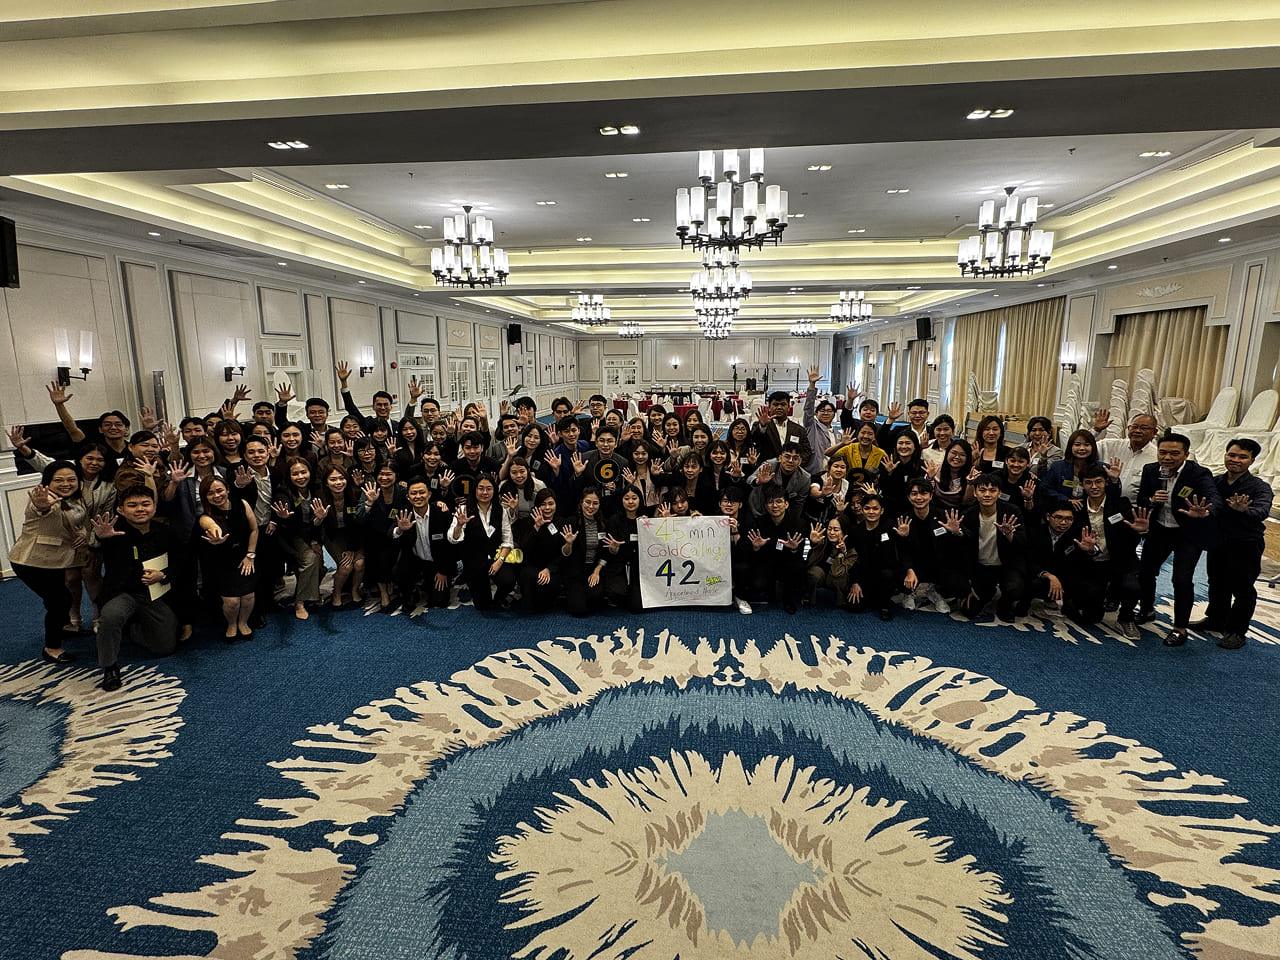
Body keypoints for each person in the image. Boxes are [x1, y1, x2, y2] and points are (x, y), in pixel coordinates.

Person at [1133, 432, 1221, 646]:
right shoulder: (1151, 470)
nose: (1167, 458)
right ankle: (1146, 610)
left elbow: (1214, 497)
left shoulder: (1198, 473)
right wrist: (1151, 499)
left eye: (1174, 453)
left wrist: (1206, 511)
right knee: (1145, 573)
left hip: (1187, 533)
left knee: (1181, 579)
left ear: (1186, 454)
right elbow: (1142, 497)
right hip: (1159, 530)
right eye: (1162, 452)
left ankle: (1180, 628)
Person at [92, 485, 180, 691]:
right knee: (110, 617)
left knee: (165, 646)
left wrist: (163, 575)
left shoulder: (165, 532)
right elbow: (104, 549)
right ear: (121, 509)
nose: (140, 509)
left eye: (145, 504)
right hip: (123, 593)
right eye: (132, 505)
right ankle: (109, 667)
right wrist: (103, 539)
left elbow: (180, 563)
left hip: (154, 593)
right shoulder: (113, 533)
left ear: (154, 507)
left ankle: (132, 629)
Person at [1198, 438, 1273, 649]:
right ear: (1225, 455)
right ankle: (1216, 619)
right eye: (1232, 455)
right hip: (1218, 541)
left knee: (1242, 588)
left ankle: (1237, 631)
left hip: (1246, 544)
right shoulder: (1215, 481)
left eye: (1242, 457)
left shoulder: (1260, 487)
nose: (1236, 460)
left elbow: (1262, 511)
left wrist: (1244, 510)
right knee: (1216, 582)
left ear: (1252, 461)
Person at [10, 461, 87, 664]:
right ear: (48, 482)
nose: (66, 484)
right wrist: (41, 506)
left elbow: (78, 523)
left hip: (56, 561)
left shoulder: (75, 499)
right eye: (59, 480)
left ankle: (62, 627)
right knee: (60, 601)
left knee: (58, 599)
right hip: (31, 561)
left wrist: (83, 534)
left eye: (71, 479)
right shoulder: (43, 499)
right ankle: (52, 648)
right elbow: (40, 509)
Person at [1073, 463, 1142, 637]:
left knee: (1132, 586)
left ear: (1105, 482)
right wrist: (1088, 550)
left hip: (1120, 561)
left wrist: (1140, 531)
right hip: (1093, 564)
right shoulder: (1077, 509)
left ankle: (1126, 617)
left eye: (1098, 482)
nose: (1094, 487)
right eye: (1088, 482)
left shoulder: (1121, 505)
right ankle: (1106, 596)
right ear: (1082, 484)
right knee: (1090, 617)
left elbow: (1132, 540)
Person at [956, 473, 1028, 623]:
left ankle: (1005, 603)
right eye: (982, 490)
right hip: (981, 568)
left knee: (1015, 589)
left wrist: (1010, 535)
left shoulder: (1011, 511)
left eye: (992, 490)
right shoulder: (968, 515)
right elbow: (963, 550)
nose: (987, 494)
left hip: (1006, 566)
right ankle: (988, 592)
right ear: (975, 493)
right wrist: (968, 585)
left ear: (999, 493)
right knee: (969, 611)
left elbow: (1022, 543)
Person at [197, 475, 259, 641]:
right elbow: (212, 526)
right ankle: (231, 624)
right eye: (211, 493)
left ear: (228, 490)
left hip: (246, 557)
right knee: (232, 602)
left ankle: (243, 622)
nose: (217, 496)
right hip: (221, 562)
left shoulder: (242, 504)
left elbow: (254, 530)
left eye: (219, 490)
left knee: (248, 597)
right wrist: (217, 537)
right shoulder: (205, 517)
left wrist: (250, 555)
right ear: (205, 497)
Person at [447, 474, 517, 610]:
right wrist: (459, 526)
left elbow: (508, 540)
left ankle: (499, 598)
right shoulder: (464, 509)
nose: (485, 492)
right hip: (474, 560)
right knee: (483, 605)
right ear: (475, 490)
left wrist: (500, 560)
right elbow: (453, 539)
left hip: (496, 557)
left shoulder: (500, 509)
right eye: (481, 488)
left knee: (508, 581)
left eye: (489, 489)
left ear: (494, 491)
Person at [891, 479, 961, 612]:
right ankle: (908, 592)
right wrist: (902, 539)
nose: (919, 497)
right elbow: (899, 551)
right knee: (893, 571)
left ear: (931, 495)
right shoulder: (903, 519)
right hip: (913, 564)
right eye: (914, 494)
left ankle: (933, 590)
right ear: (909, 497)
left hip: (937, 563)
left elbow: (956, 548)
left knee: (956, 581)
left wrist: (955, 533)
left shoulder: (943, 516)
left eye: (923, 493)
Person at [390, 477, 454, 616]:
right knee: (398, 571)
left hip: (437, 562)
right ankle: (410, 591)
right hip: (414, 560)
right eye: (413, 493)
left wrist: (443, 571)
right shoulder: (404, 513)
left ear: (429, 494)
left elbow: (450, 547)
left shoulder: (441, 512)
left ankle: (428, 583)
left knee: (440, 601)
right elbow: (391, 534)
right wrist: (400, 529)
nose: (418, 496)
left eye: (422, 492)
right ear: (408, 497)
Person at [270, 456, 324, 620]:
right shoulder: (283, 492)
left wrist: (315, 538)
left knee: (320, 566)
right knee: (311, 559)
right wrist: (285, 518)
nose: (300, 477)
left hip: (312, 533)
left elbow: (317, 521)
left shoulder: (316, 488)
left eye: (303, 472)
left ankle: (310, 594)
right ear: (289, 476)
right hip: (292, 536)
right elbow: (290, 526)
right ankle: (299, 602)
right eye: (295, 474)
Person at [846, 493, 914, 620]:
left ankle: (885, 605)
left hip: (887, 574)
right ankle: (873, 597)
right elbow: (853, 559)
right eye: (867, 508)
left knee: (887, 575)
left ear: (881, 510)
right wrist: (855, 582)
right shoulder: (856, 531)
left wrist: (904, 538)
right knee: (854, 607)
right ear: (862, 510)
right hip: (865, 575)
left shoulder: (891, 527)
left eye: (875, 508)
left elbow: (904, 551)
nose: (871, 512)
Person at [742, 484, 806, 613]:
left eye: (779, 501)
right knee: (757, 582)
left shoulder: (798, 523)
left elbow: (804, 554)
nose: (775, 506)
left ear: (786, 504)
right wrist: (755, 547)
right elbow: (749, 553)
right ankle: (769, 589)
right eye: (770, 502)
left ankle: (788, 599)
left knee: (797, 567)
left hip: (787, 562)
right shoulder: (759, 522)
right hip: (766, 562)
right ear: (766, 506)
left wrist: (794, 549)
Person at [561, 486, 621, 615]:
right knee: (579, 610)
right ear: (581, 502)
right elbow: (565, 554)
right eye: (587, 502)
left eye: (595, 503)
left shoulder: (604, 524)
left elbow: (606, 553)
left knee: (595, 597)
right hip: (575, 570)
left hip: (594, 568)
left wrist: (597, 570)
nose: (591, 506)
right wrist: (568, 544)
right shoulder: (571, 522)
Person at [514, 489, 567, 612]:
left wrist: (549, 569)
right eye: (543, 504)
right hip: (531, 566)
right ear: (537, 505)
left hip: (552, 568)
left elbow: (562, 553)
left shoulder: (561, 522)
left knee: (547, 592)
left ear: (556, 504)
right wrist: (536, 527)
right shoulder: (528, 521)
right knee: (529, 584)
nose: (547, 508)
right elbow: (524, 548)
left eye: (550, 504)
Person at [1091, 411, 1159, 503]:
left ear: (1154, 432)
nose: (1137, 431)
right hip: (1103, 505)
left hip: (1134, 507)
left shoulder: (1157, 456)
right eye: (1134, 427)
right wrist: (1096, 430)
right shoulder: (1109, 445)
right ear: (1128, 429)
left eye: (1143, 428)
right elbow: (1080, 447)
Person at [806, 514, 856, 609]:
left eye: (836, 530)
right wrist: (814, 544)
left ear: (844, 531)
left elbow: (837, 572)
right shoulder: (822, 540)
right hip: (822, 575)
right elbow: (809, 563)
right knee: (814, 573)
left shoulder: (851, 550)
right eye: (829, 529)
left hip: (837, 578)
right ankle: (809, 598)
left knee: (839, 578)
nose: (831, 532)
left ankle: (840, 600)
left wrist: (842, 553)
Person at [1042, 430, 1103, 507]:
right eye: (1077, 445)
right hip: (1063, 507)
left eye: (1086, 445)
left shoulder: (1102, 468)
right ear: (1070, 446)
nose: (1082, 448)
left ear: (1093, 447)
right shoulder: (1057, 467)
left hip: (1091, 508)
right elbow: (1046, 488)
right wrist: (1066, 500)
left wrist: (1115, 480)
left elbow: (1110, 493)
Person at [750, 391, 813, 465]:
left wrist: (794, 463)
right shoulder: (759, 425)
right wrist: (763, 426)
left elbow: (807, 452)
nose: (779, 407)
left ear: (789, 407)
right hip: (767, 469)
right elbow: (754, 442)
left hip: (792, 469)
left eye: (783, 404)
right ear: (769, 407)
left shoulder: (799, 430)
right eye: (775, 404)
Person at [748, 442, 810, 515]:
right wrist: (758, 481)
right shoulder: (769, 465)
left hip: (783, 514)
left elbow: (798, 505)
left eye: (795, 458)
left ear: (800, 461)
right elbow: (749, 479)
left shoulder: (805, 478)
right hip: (760, 507)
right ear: (780, 458)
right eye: (787, 457)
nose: (790, 461)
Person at [801, 366, 838, 474]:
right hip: (816, 470)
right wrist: (812, 385)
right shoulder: (812, 426)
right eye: (822, 411)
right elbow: (808, 408)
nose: (826, 413)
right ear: (816, 414)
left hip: (833, 471)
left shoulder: (837, 432)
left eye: (829, 411)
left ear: (834, 414)